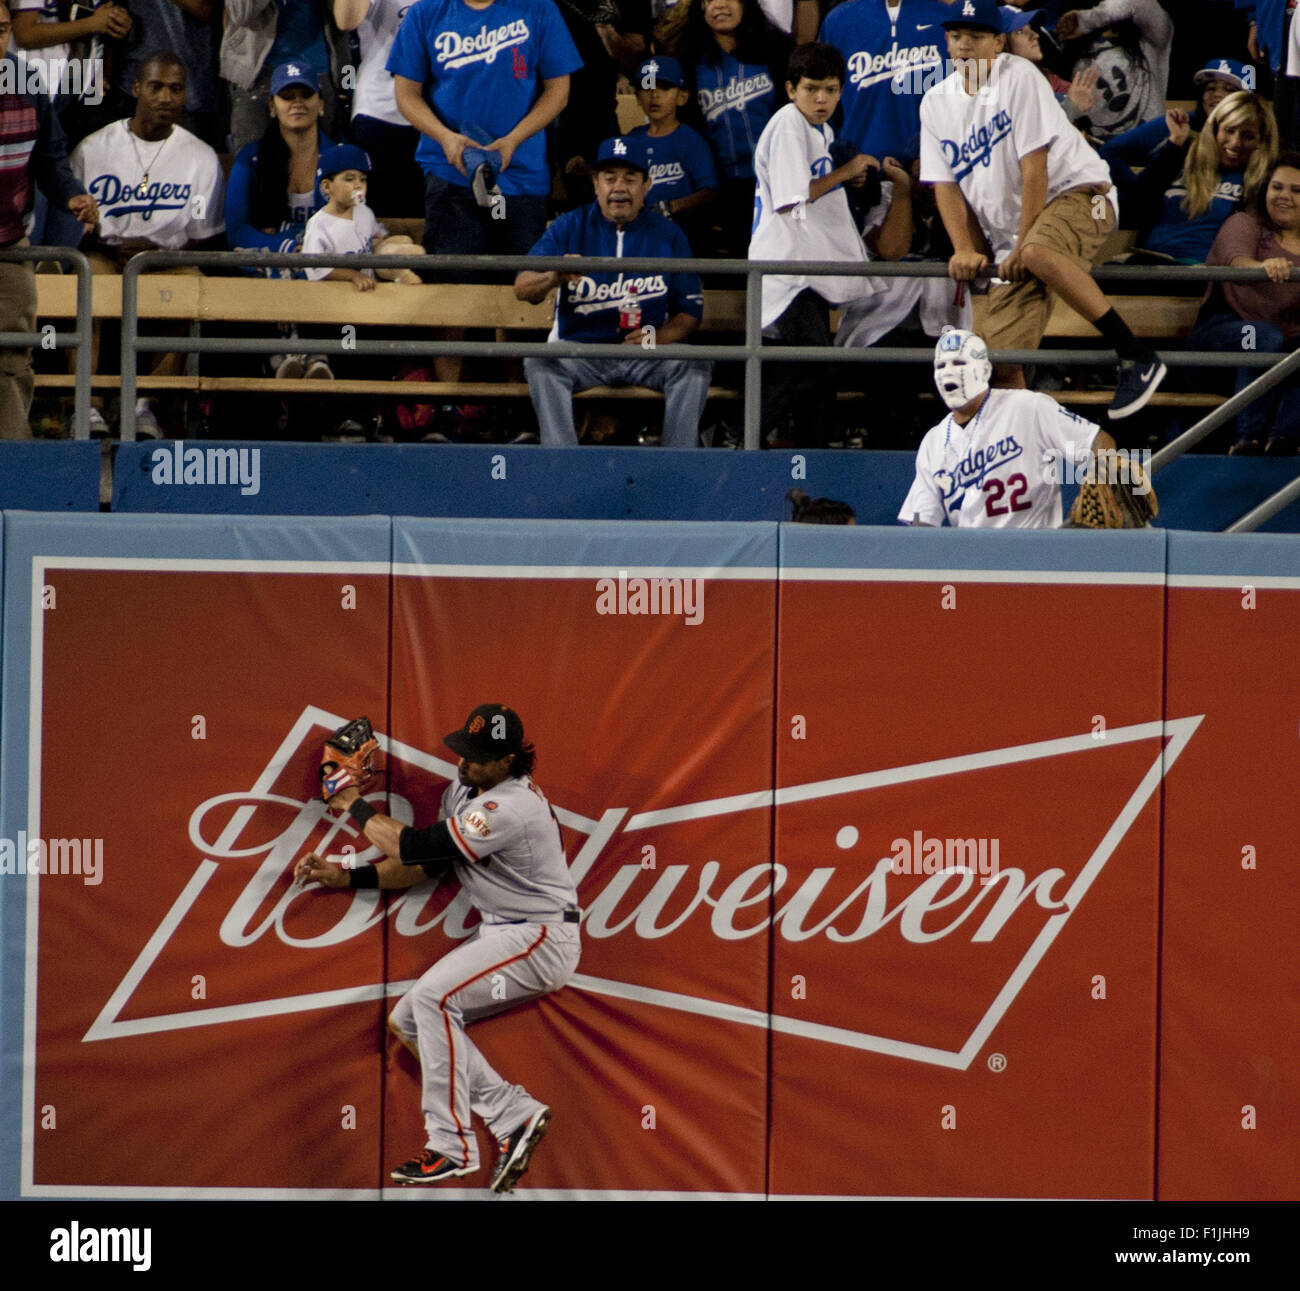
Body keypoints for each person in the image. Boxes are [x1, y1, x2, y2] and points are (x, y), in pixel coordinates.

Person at [293, 703, 580, 1190]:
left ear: (508, 760)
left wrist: (350, 802)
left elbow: (410, 846)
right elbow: (421, 866)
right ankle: (512, 1112)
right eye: (463, 750)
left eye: (477, 756)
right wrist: (346, 876)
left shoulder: (509, 806)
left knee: (432, 1000)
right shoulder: (464, 791)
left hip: (540, 937)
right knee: (408, 1020)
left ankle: (452, 1146)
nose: (464, 762)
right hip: (508, 933)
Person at [920, 0, 1165, 418]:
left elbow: (1035, 169)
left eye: (976, 36)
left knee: (1036, 252)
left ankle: (1136, 355)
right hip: (1016, 235)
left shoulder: (1019, 76)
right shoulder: (934, 102)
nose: (964, 45)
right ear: (946, 42)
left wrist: (1020, 244)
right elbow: (944, 186)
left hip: (1079, 193)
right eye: (956, 36)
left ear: (997, 42)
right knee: (995, 365)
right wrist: (963, 247)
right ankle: (1017, 450)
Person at [515, 135, 712, 447]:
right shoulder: (570, 225)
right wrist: (553, 276)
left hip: (645, 352)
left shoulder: (669, 235)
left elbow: (690, 312)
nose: (619, 187)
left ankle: (677, 460)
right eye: (609, 178)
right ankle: (561, 460)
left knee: (696, 365)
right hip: (580, 350)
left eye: (630, 179)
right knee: (539, 362)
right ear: (596, 185)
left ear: (646, 186)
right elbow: (523, 286)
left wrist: (656, 339)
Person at [70, 50, 225, 435]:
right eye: (155, 87)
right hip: (104, 253)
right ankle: (84, 404)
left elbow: (204, 237)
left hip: (165, 260)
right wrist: (107, 247)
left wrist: (159, 255)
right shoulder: (93, 149)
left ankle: (147, 404)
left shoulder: (201, 158)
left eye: (175, 89)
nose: (165, 97)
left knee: (186, 280)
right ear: (136, 88)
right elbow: (69, 221)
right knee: (85, 280)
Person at [750, 40, 883, 445]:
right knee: (813, 367)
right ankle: (740, 437)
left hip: (806, 270)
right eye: (811, 88)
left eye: (830, 89)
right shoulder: (789, 121)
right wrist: (846, 172)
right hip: (786, 269)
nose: (821, 98)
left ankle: (814, 454)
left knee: (810, 373)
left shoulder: (821, 129)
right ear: (791, 89)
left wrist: (851, 176)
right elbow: (794, 197)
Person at [386, 0, 581, 270]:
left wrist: (514, 139)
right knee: (453, 290)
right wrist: (445, 137)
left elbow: (558, 93)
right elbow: (406, 95)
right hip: (451, 175)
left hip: (520, 176)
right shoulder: (425, 12)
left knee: (520, 290)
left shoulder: (539, 9)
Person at [899, 326, 1122, 527]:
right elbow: (923, 523)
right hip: (972, 562)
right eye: (941, 365)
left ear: (985, 371)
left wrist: (1103, 479)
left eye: (959, 363)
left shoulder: (1027, 407)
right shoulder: (933, 441)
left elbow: (1098, 440)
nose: (949, 371)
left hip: (1035, 555)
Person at [0, 0, 98, 439]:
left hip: (9, 246)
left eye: (2, 30)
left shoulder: (25, 80)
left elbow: (50, 160)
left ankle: (12, 461)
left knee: (13, 358)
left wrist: (73, 195)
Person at [1186, 151, 1300, 454]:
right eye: (1277, 187)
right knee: (1263, 337)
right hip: (1225, 335)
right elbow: (1236, 260)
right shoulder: (1244, 222)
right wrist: (1263, 267)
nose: (1284, 196)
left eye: (1296, 190)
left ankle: (1283, 442)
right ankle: (1246, 440)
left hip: (1283, 349)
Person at [676, 0, 793, 256]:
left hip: (778, 179)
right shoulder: (688, 59)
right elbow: (650, 83)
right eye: (708, 0)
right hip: (722, 186)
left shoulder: (779, 49)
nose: (719, 5)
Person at [1111, 91, 1278, 266]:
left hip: (1208, 273)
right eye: (1229, 130)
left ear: (1262, 141)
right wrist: (1174, 144)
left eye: (1248, 136)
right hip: (1151, 261)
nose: (1235, 142)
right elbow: (1136, 203)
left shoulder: (1264, 181)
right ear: (1214, 130)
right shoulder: (1181, 158)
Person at [818, 0, 949, 165]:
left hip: (929, 171)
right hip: (858, 174)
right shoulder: (837, 22)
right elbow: (823, 109)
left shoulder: (948, 19)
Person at [332, 0, 424, 217]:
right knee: (380, 221)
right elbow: (346, 20)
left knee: (431, 220)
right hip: (380, 112)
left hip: (435, 113)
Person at [626, 54, 719, 253]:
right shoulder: (632, 140)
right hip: (638, 235)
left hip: (681, 235)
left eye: (664, 88)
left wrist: (673, 206)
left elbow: (709, 190)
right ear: (637, 96)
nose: (654, 95)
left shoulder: (690, 139)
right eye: (647, 88)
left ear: (682, 97)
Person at [1100, 57, 1253, 168]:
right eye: (1211, 88)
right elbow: (1108, 152)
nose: (1217, 94)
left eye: (1229, 90)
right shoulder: (1178, 125)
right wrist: (1135, 191)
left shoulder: (1258, 135)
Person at [1053, 0, 1173, 141]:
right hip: (1098, 155)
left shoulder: (1151, 36)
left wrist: (1089, 20)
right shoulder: (1074, 36)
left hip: (1150, 152)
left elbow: (1135, 3)